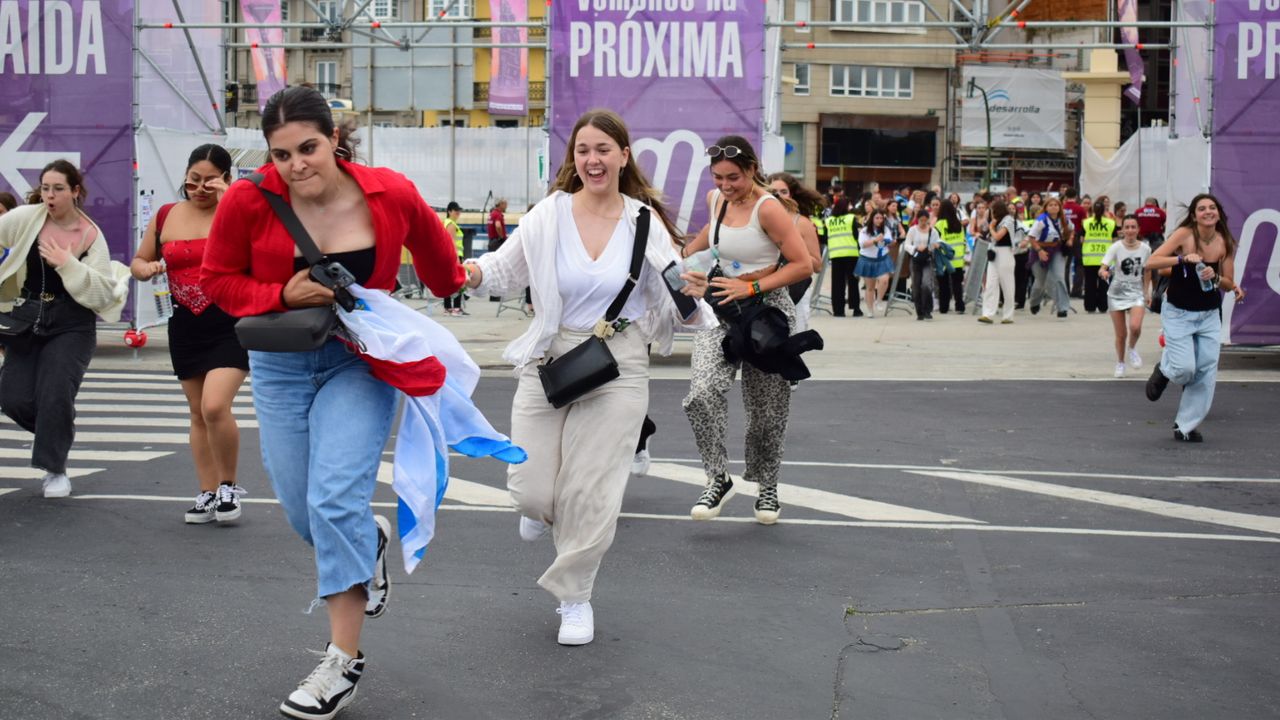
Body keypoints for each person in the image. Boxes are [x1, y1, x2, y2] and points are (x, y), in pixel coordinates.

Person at [201, 86, 466, 719]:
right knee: (304, 515)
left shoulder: (388, 193)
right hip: (281, 364)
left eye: (309, 148)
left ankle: (340, 662)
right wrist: (281, 293)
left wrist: (455, 282)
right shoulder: (247, 198)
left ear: (335, 140)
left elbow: (441, 263)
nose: (297, 165)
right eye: (282, 153)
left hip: (360, 362)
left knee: (333, 499)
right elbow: (216, 282)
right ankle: (366, 537)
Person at [462, 109, 714, 646]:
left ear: (624, 156)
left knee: (590, 491)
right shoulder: (548, 215)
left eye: (603, 149)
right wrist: (469, 272)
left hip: (618, 361)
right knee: (531, 492)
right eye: (583, 150)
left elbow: (679, 305)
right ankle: (543, 513)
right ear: (573, 159)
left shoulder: (644, 223)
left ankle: (575, 599)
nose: (593, 159)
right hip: (551, 355)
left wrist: (694, 299)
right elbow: (503, 270)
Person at [677, 135, 812, 525]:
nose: (725, 185)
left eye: (733, 177)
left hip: (768, 311)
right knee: (701, 393)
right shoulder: (715, 200)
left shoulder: (769, 209)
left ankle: (767, 485)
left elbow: (803, 264)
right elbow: (707, 239)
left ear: (752, 170)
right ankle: (717, 476)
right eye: (718, 177)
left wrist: (751, 286)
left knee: (766, 409)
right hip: (721, 307)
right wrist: (678, 257)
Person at [130, 144, 250, 524]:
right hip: (185, 323)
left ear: (226, 180)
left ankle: (229, 486)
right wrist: (145, 269)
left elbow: (260, 247)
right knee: (197, 413)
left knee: (215, 406)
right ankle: (207, 492)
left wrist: (231, 201)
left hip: (229, 321)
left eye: (209, 181)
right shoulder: (166, 214)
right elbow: (138, 260)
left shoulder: (236, 211)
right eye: (193, 180)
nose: (199, 189)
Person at [0, 160, 129, 498]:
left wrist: (68, 264)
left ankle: (54, 469)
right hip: (27, 319)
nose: (50, 196)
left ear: (75, 191)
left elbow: (101, 293)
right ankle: (57, 427)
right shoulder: (26, 219)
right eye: (45, 188)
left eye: (58, 189)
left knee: (55, 393)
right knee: (11, 397)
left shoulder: (90, 234)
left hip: (72, 324)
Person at [1144, 194, 1245, 442]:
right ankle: (1166, 369)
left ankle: (1185, 426)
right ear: (1194, 215)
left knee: (1206, 370)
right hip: (1178, 311)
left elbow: (1228, 281)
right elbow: (1151, 261)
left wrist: (1216, 278)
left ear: (1219, 213)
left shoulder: (1226, 242)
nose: (1208, 212)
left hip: (1209, 314)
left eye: (1212, 208)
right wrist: (1181, 259)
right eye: (1202, 209)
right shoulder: (1184, 235)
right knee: (1185, 369)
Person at [767, 172, 824, 331]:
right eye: (772, 192)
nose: (778, 196)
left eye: (783, 191)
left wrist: (792, 251)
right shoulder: (762, 219)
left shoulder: (802, 223)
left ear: (792, 194)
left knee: (795, 338)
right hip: (766, 290)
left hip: (795, 291)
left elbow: (817, 265)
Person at [1099, 215, 1151, 377]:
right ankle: (1120, 363)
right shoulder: (1116, 247)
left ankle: (1132, 348)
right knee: (1121, 334)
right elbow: (1103, 266)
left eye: (1133, 227)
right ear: (1122, 230)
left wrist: (1146, 291)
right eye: (1126, 227)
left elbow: (1148, 270)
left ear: (1138, 229)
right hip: (1117, 291)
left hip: (1136, 290)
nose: (1129, 230)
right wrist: (1103, 272)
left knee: (1135, 327)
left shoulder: (1145, 249)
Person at [1027, 196, 1073, 318]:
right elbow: (1031, 238)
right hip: (1038, 250)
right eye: (1051, 205)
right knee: (1041, 281)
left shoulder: (1064, 219)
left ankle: (1062, 307)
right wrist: (1040, 251)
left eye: (1056, 205)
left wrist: (1070, 240)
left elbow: (1072, 230)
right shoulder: (1041, 220)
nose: (1054, 207)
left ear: (1060, 207)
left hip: (1056, 250)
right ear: (1046, 207)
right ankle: (1034, 302)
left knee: (1059, 277)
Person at [978, 199, 1017, 324]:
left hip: (1006, 253)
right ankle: (988, 314)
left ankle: (1008, 315)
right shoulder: (994, 222)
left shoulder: (1008, 220)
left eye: (992, 210)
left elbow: (998, 236)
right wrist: (990, 225)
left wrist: (991, 227)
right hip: (994, 253)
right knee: (990, 284)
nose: (991, 213)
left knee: (1007, 286)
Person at [824, 197, 862, 317]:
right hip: (851, 254)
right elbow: (856, 236)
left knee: (837, 284)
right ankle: (855, 308)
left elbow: (825, 237)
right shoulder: (850, 218)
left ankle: (838, 310)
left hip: (836, 255)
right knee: (853, 282)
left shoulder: (829, 221)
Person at [854, 209, 894, 317]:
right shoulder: (865, 230)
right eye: (877, 218)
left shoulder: (885, 229)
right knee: (870, 287)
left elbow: (890, 241)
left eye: (881, 218)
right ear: (872, 219)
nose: (879, 220)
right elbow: (862, 244)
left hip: (882, 258)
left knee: (884, 280)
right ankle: (870, 310)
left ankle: (879, 300)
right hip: (868, 259)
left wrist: (887, 241)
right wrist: (875, 240)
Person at [1080, 200, 1117, 314]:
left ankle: (1090, 307)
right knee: (1104, 284)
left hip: (1089, 258)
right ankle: (1103, 306)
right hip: (1105, 259)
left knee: (1089, 284)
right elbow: (1115, 241)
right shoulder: (1111, 223)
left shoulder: (1086, 223)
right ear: (1104, 210)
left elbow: (1082, 240)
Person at [904, 210, 940, 320]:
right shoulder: (912, 230)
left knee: (926, 284)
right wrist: (915, 248)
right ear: (917, 219)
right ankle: (919, 312)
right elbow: (906, 245)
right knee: (916, 286)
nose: (923, 222)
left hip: (927, 260)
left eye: (925, 220)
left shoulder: (932, 231)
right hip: (915, 260)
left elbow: (938, 242)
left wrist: (932, 247)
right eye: (921, 220)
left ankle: (927, 310)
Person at [933, 199, 967, 313]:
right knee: (957, 284)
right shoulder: (958, 224)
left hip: (944, 259)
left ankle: (944, 307)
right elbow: (963, 241)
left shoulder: (939, 224)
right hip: (958, 258)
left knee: (944, 284)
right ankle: (960, 306)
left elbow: (935, 241)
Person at [441, 201, 468, 315]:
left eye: (459, 211)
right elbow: (452, 243)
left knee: (448, 281)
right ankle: (456, 308)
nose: (458, 213)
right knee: (459, 281)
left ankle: (448, 308)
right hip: (455, 256)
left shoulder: (447, 222)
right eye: (456, 211)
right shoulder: (451, 224)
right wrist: (457, 258)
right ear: (449, 211)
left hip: (449, 256)